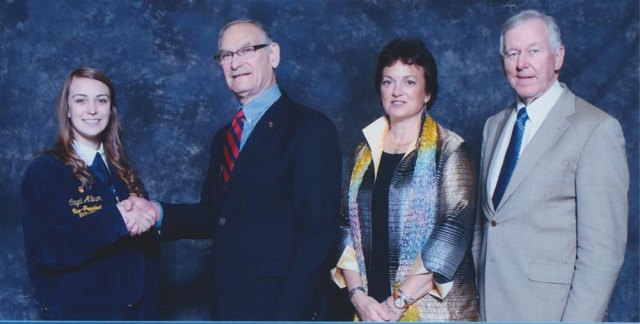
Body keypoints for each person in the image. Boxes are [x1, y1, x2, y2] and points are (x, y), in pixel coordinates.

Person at [124, 19, 341, 321]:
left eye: (246, 50)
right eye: (226, 55)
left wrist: (290, 316)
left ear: (274, 54)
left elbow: (318, 236)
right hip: (229, 304)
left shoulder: (309, 129)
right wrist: (157, 212)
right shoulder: (224, 137)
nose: (235, 63)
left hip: (282, 308)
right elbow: (214, 215)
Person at [475, 9, 629, 321]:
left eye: (534, 51)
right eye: (512, 53)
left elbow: (602, 254)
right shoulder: (494, 126)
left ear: (557, 58)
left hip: (550, 313)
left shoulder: (596, 130)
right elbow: (487, 224)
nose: (522, 64)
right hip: (488, 310)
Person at [331, 37, 478, 322]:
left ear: (427, 92)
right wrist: (358, 296)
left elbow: (451, 235)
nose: (397, 91)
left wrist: (398, 303)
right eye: (388, 82)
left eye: (409, 82)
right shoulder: (363, 150)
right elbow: (344, 226)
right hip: (370, 308)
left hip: (432, 312)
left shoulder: (450, 150)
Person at [20, 67, 159, 320]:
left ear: (111, 109)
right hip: (78, 314)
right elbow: (46, 251)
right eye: (81, 100)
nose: (92, 110)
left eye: (101, 100)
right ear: (68, 110)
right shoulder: (44, 172)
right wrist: (115, 220)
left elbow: (145, 255)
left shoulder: (124, 171)